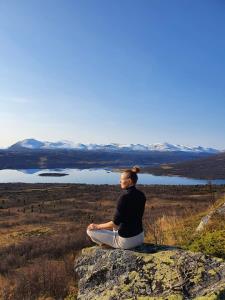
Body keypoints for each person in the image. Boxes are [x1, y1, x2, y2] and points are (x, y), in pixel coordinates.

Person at [86, 165, 146, 249]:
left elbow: (114, 223)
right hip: (140, 237)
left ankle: (109, 247)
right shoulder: (141, 195)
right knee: (115, 228)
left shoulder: (124, 198)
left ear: (129, 181)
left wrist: (96, 226)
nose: (120, 181)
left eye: (121, 179)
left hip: (127, 241)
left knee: (90, 230)